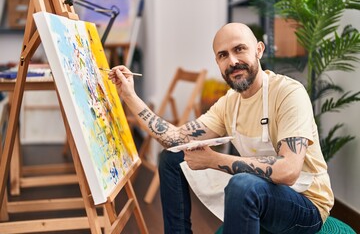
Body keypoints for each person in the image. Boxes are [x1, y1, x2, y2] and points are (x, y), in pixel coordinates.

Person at [108, 22, 334, 234]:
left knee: (243, 184)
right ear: (217, 62)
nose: (233, 61)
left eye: (240, 49)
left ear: (259, 50)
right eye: (223, 55)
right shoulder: (229, 103)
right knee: (172, 158)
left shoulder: (288, 93)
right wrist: (129, 95)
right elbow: (174, 138)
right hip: (263, 190)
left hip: (307, 203)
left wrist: (213, 160)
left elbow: (288, 170)